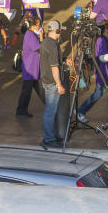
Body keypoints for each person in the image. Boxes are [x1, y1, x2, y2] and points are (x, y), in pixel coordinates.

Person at [78, 21, 108, 123]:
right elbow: (102, 58)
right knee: (97, 94)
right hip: (104, 73)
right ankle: (80, 111)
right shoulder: (101, 41)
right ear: (105, 29)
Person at [40, 20, 66, 148]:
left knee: (51, 111)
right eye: (60, 30)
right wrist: (59, 85)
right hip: (52, 83)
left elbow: (55, 60)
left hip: (47, 81)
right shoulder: (52, 45)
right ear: (57, 30)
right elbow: (54, 66)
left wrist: (65, 59)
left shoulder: (46, 42)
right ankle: (49, 139)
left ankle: (50, 136)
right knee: (50, 111)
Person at [16, 15, 44, 117]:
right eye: (38, 25)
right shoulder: (29, 35)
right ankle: (21, 110)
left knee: (37, 89)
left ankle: (22, 110)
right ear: (32, 26)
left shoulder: (32, 34)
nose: (40, 27)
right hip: (30, 68)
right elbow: (39, 48)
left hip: (34, 68)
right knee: (26, 91)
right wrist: (41, 38)